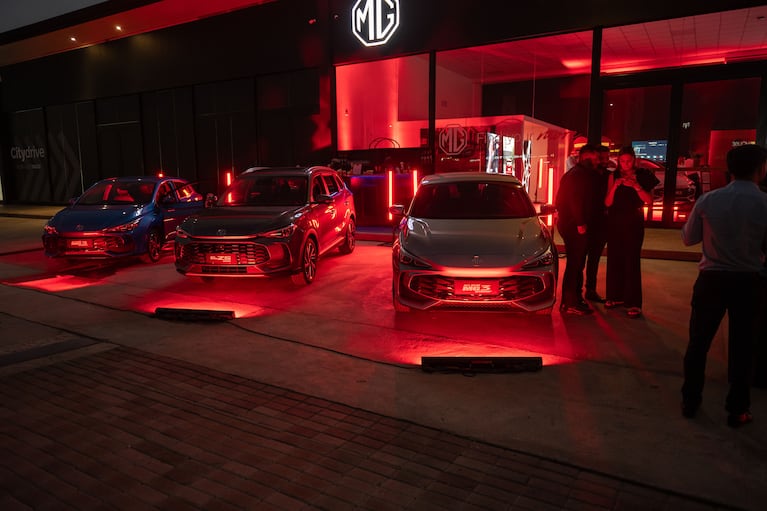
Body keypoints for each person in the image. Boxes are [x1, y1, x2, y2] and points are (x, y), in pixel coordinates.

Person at [680, 143, 767, 428]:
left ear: (729, 169)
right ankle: (737, 409)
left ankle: (690, 400)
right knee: (744, 346)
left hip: (711, 279)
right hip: (749, 281)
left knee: (698, 342)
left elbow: (688, 238)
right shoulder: (764, 203)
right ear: (761, 169)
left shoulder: (709, 200)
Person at [603, 146, 657, 318]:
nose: (625, 164)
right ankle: (614, 296)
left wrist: (636, 186)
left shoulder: (643, 175)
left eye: (628, 161)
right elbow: (607, 202)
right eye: (622, 161)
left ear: (634, 160)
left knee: (632, 259)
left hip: (634, 220)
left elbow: (649, 201)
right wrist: (615, 187)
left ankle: (633, 302)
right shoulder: (613, 176)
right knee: (614, 258)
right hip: (615, 221)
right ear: (618, 161)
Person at [555, 143, 601, 315]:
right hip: (575, 226)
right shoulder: (580, 175)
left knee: (576, 263)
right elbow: (575, 200)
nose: (597, 162)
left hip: (571, 224)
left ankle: (573, 299)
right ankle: (570, 302)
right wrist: (580, 223)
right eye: (595, 159)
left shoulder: (574, 174)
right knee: (575, 263)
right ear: (585, 158)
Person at [584, 145, 612, 303]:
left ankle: (590, 289)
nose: (605, 161)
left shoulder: (608, 175)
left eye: (607, 158)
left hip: (601, 222)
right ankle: (581, 291)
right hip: (588, 221)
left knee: (594, 258)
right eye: (602, 158)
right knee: (582, 259)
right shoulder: (588, 175)